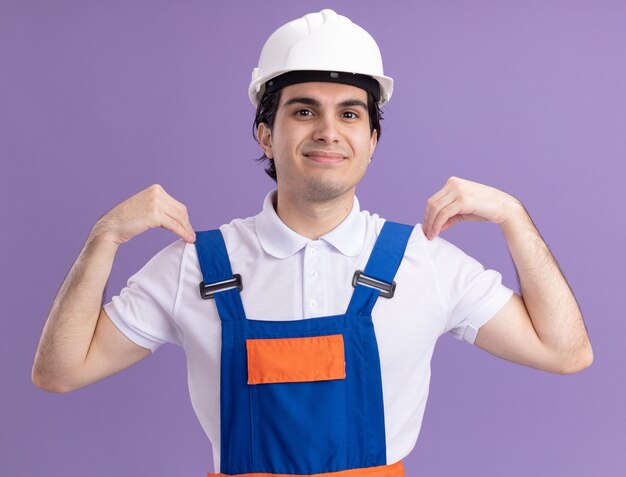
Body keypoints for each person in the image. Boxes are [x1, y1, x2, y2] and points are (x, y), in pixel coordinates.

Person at [32, 9, 593, 477]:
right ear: (265, 133)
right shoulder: (195, 267)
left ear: (371, 140)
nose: (328, 130)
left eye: (350, 113)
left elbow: (566, 353)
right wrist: (101, 239)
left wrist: (515, 219)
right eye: (304, 111)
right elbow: (59, 372)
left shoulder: (426, 262)